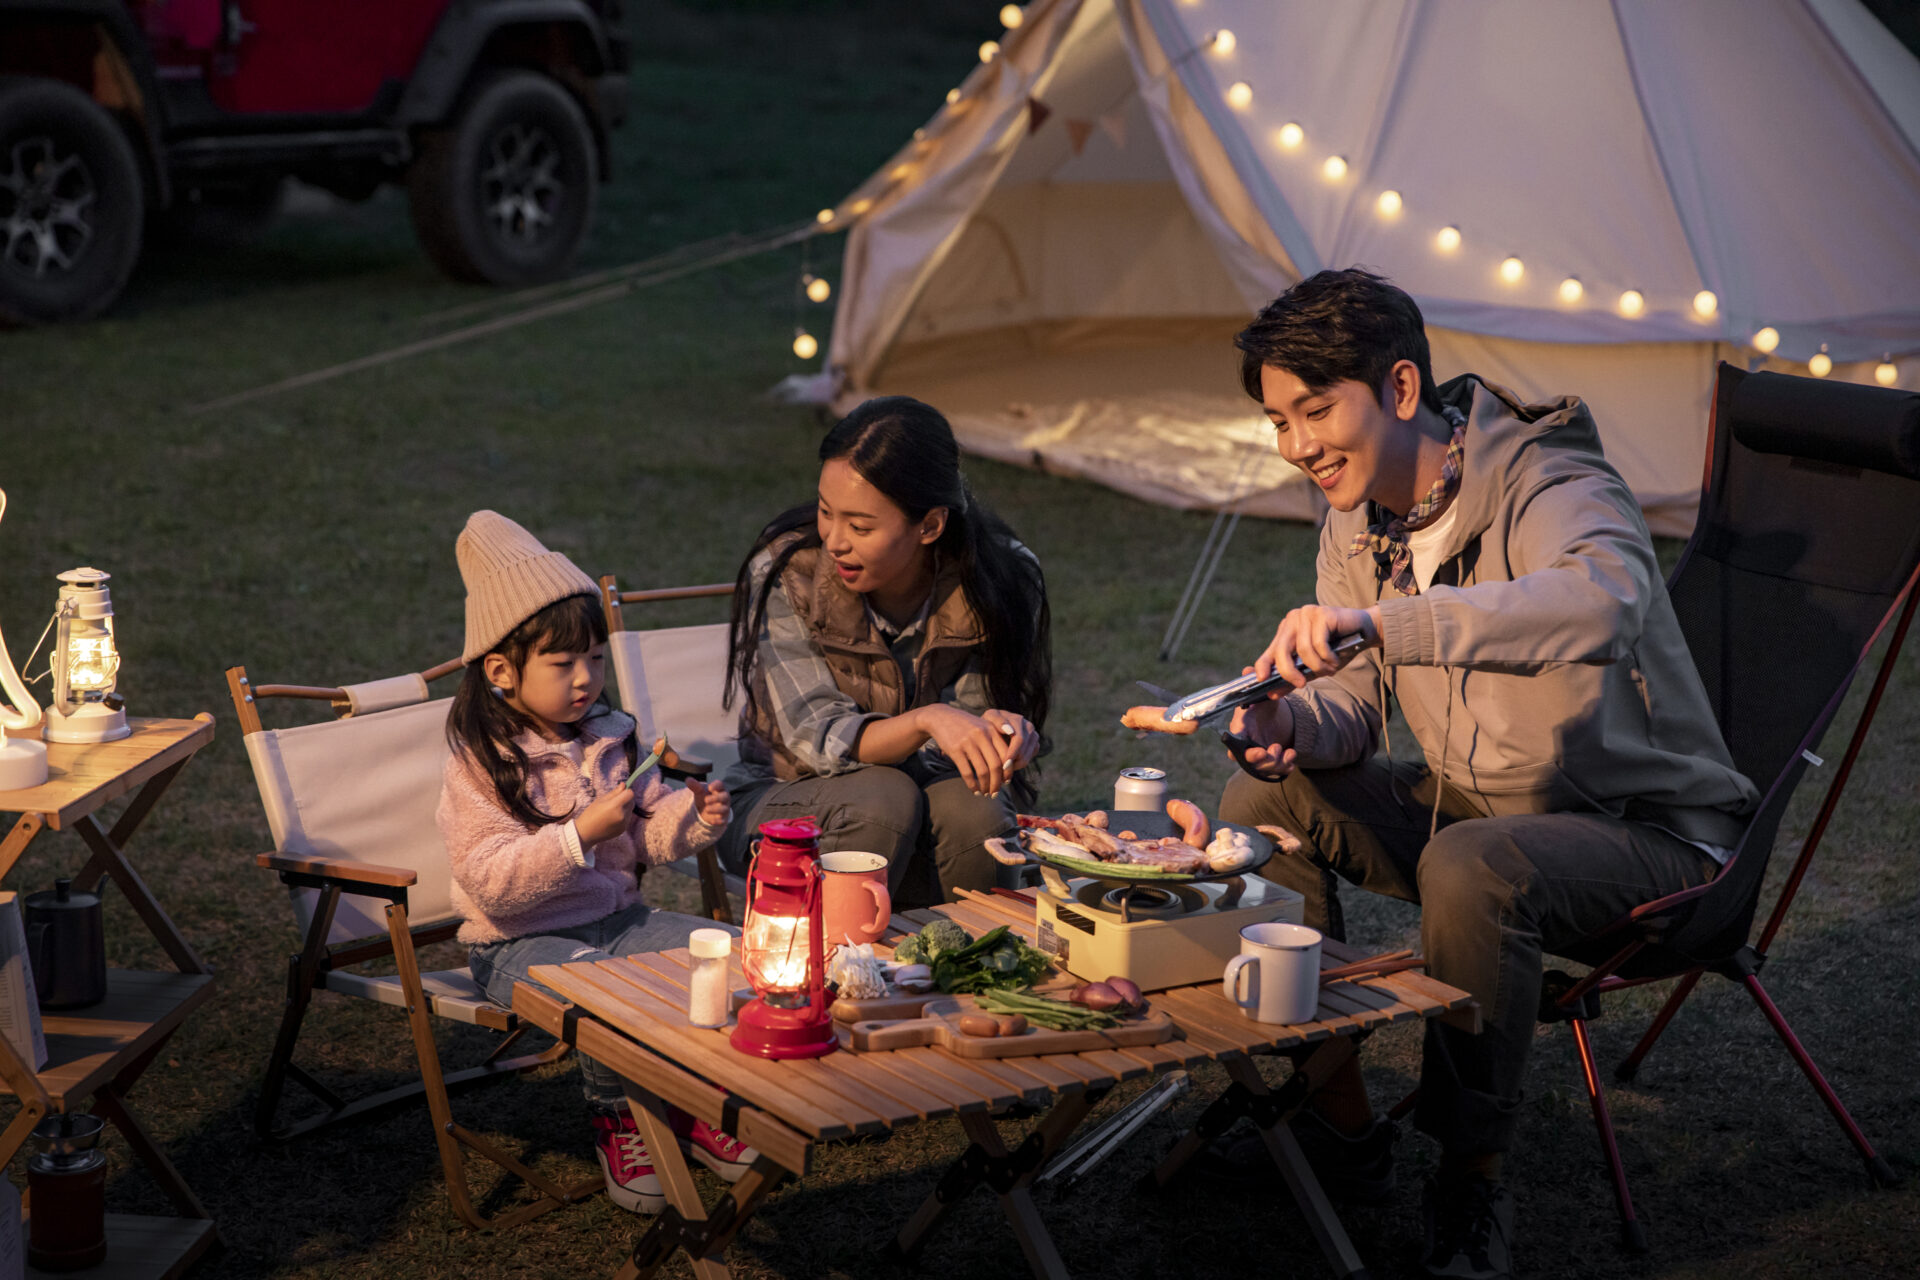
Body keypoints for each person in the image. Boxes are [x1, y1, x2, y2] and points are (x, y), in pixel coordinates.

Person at [1129, 269, 1756, 1279]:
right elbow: (1357, 705)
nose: (1297, 445)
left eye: (1317, 410)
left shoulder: (1550, 474)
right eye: (1279, 419)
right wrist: (1288, 722)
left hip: (1651, 836)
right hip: (1481, 805)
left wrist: (1384, 619)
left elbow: (1603, 602)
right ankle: (1338, 1122)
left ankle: (1471, 1177)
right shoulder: (1358, 514)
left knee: (1473, 861)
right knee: (1264, 799)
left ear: (1404, 388)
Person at [437, 510, 755, 1215]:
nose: (586, 679)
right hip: (518, 945)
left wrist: (692, 819)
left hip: (619, 921)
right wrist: (575, 835)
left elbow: (646, 832)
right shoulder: (481, 766)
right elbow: (489, 880)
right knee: (609, 991)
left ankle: (699, 1104)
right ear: (501, 671)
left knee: (734, 954)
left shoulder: (610, 736)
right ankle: (623, 1120)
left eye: (595, 658)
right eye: (562, 664)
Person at [719, 396, 1051, 905]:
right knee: (880, 799)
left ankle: (966, 966)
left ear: (930, 526)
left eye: (861, 526)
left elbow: (967, 738)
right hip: (782, 796)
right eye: (827, 512)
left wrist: (997, 736)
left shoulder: (996, 578)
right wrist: (928, 721)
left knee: (977, 811)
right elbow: (818, 739)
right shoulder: (789, 572)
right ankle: (829, 968)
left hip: (922, 795)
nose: (834, 541)